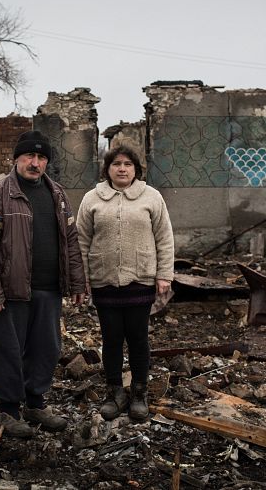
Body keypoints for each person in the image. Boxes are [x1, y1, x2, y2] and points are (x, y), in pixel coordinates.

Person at [0, 130, 86, 438]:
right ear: (17, 159)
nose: (35, 163)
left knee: (46, 348)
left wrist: (77, 283)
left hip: (49, 290)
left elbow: (71, 243)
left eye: (41, 158)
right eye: (29, 157)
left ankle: (35, 403)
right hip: (11, 293)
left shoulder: (58, 195)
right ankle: (7, 411)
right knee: (8, 350)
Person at [76, 145, 174, 422]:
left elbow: (164, 237)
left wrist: (164, 273)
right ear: (107, 169)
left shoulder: (151, 197)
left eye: (128, 164)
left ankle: (139, 393)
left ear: (136, 169)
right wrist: (82, 279)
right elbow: (81, 241)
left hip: (139, 279)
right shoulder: (92, 198)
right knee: (111, 339)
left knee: (138, 338)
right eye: (116, 163)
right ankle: (115, 392)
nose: (122, 168)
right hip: (104, 281)